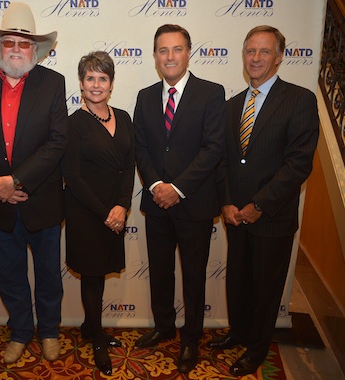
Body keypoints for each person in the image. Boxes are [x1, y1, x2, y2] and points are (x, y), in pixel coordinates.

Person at [208, 25, 319, 376]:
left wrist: (259, 204)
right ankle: (238, 333)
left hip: (271, 216)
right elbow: (225, 159)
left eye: (264, 51)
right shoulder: (232, 105)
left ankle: (257, 349)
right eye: (250, 51)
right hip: (235, 216)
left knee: (267, 288)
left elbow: (298, 163)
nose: (255, 58)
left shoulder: (300, 99)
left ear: (280, 56)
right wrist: (226, 202)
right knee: (239, 280)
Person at [0, 2, 67, 365]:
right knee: (9, 275)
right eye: (10, 42)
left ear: (35, 50)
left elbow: (57, 142)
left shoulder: (53, 83)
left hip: (41, 199)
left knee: (48, 276)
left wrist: (16, 181)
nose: (16, 49)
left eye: (24, 43)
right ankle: (21, 332)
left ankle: (50, 330)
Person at [133, 24, 226, 373]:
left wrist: (177, 188)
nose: (169, 57)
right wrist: (157, 185)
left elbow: (213, 148)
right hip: (156, 203)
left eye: (176, 49)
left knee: (193, 275)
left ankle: (191, 338)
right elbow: (140, 147)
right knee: (160, 271)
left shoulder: (211, 92)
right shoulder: (144, 96)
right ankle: (163, 326)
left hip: (194, 204)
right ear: (155, 56)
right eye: (162, 50)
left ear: (189, 52)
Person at [62, 51, 134, 375]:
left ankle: (90, 328)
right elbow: (73, 177)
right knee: (91, 275)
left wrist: (123, 206)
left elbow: (128, 167)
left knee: (101, 272)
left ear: (111, 83)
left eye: (102, 78)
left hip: (115, 211)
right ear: (81, 83)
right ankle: (99, 338)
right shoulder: (73, 124)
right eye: (90, 78)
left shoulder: (124, 117)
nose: (96, 84)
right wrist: (107, 213)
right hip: (87, 212)